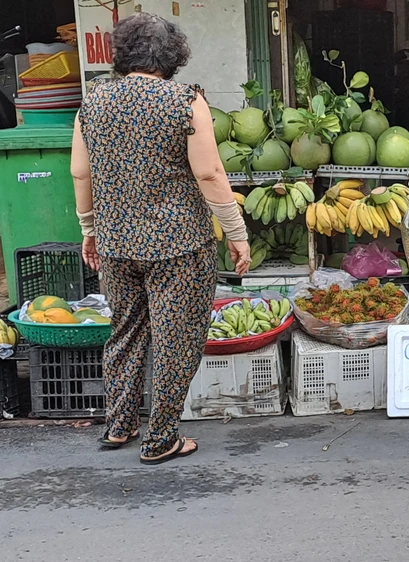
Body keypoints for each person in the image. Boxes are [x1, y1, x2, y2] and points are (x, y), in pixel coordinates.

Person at [70, 13, 251, 465]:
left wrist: (89, 229)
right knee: (176, 340)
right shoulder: (185, 101)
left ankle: (119, 425)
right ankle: (161, 438)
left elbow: (80, 172)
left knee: (125, 332)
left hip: (116, 242)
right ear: (173, 55)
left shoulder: (94, 101)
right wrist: (236, 232)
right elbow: (210, 173)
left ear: (121, 53)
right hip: (179, 246)